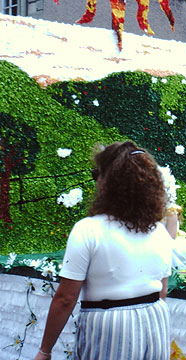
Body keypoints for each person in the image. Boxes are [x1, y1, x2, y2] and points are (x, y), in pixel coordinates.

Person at [34, 141, 173, 360]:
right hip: (154, 319)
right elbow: (162, 290)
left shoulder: (88, 230)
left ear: (108, 182)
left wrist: (45, 350)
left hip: (110, 325)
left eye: (97, 174)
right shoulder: (159, 231)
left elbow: (66, 298)